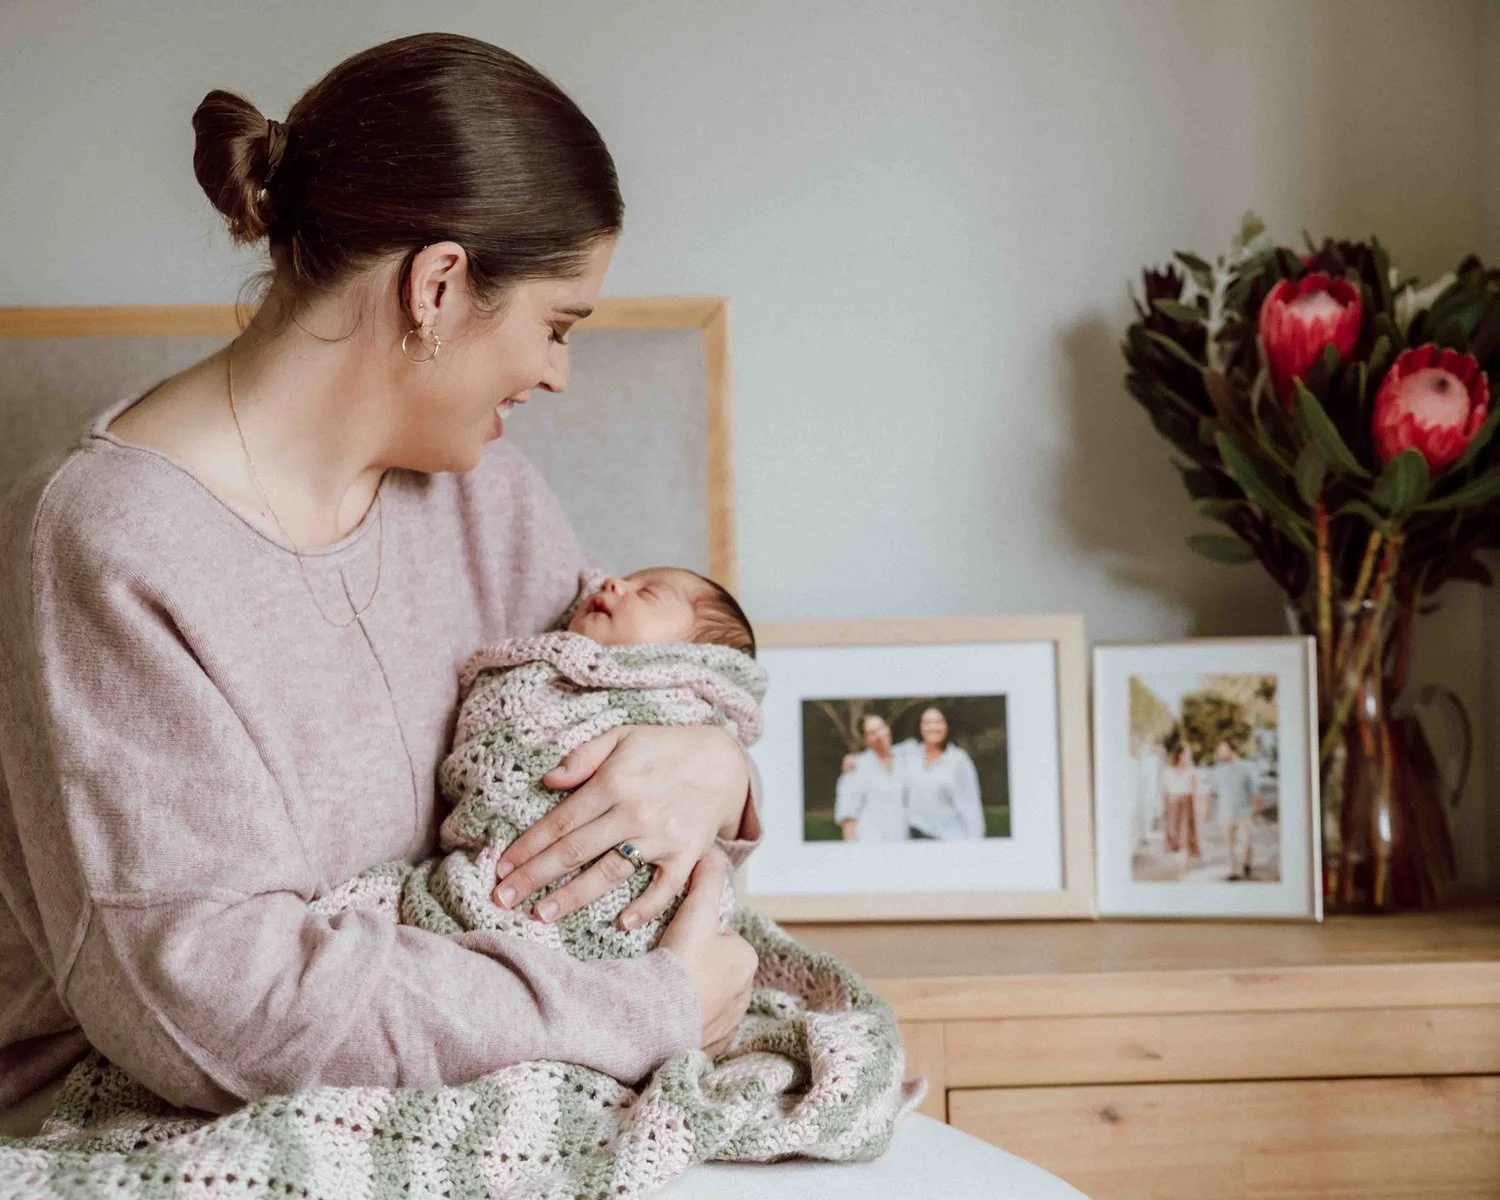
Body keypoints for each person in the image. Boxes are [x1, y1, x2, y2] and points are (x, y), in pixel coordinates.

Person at [0, 33, 761, 1117]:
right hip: (147, 1115)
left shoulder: (479, 494)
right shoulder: (105, 544)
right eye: (557, 323)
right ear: (438, 286)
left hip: (471, 1078)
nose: (558, 372)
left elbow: (655, 669)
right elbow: (215, 1008)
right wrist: (645, 1009)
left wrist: (712, 759)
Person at [898, 706, 985, 839]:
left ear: (947, 725)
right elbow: (880, 755)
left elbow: (971, 806)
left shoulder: (959, 759)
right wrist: (854, 760)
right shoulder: (910, 751)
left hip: (947, 839)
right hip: (912, 836)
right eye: (927, 722)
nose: (932, 727)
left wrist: (975, 845)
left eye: (938, 722)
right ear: (920, 726)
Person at [833, 714, 911, 841]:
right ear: (865, 739)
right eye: (872, 732)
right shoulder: (856, 767)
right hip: (869, 843)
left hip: (901, 842)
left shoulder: (904, 758)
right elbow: (847, 817)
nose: (880, 735)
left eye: (881, 727)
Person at [1212, 740, 1263, 881]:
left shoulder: (1246, 768)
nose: (1220, 752)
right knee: (1229, 844)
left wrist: (1257, 812)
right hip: (1225, 812)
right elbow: (1213, 791)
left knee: (1246, 842)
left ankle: (1246, 863)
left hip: (1244, 812)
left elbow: (1255, 792)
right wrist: (1206, 809)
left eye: (1222, 749)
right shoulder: (1219, 770)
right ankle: (1232, 871)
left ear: (1231, 749)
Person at [1158, 740, 1201, 867]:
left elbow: (1195, 791)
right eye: (1185, 754)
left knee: (1186, 834)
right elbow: (1164, 791)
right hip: (1172, 804)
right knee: (1173, 833)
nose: (1187, 757)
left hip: (1187, 804)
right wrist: (1162, 809)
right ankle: (1178, 859)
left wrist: (1198, 808)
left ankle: (1185, 863)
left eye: (1188, 755)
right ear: (1179, 755)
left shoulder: (1191, 771)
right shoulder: (1168, 771)